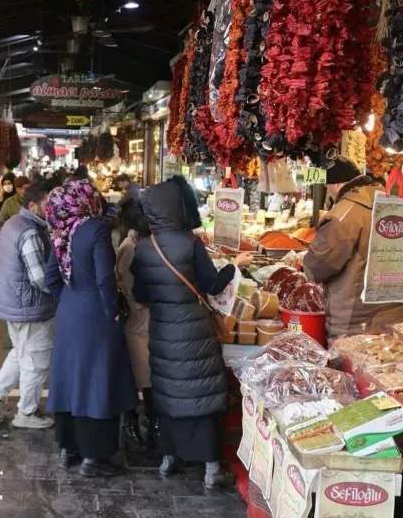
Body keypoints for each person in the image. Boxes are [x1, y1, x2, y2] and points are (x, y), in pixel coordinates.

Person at [129, 176, 250, 489]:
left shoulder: (144, 248)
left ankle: (169, 459)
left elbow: (141, 295)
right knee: (202, 394)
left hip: (162, 332)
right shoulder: (190, 243)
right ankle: (211, 469)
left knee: (169, 394)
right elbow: (213, 285)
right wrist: (234, 266)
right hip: (195, 333)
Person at [44, 179, 137, 477]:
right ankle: (94, 458)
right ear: (87, 200)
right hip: (95, 314)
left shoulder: (61, 230)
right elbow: (104, 278)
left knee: (69, 380)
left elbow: (51, 277)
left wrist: (67, 301)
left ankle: (68, 449)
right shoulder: (96, 228)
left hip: (69, 312)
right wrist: (111, 312)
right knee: (98, 381)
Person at [304, 156, 403, 337]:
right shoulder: (392, 204)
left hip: (356, 325)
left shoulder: (342, 215)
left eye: (327, 185)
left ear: (336, 184)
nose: (327, 190)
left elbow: (317, 267)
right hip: (397, 318)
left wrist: (305, 263)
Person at [0, 183, 55, 428]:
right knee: (36, 361)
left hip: (13, 302)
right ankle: (27, 413)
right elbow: (40, 278)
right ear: (33, 205)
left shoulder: (13, 223)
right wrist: (62, 292)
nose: (52, 208)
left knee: (21, 353)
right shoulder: (31, 233)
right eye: (47, 204)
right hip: (29, 307)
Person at [115, 198, 153, 452]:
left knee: (145, 377)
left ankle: (145, 424)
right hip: (138, 320)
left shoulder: (136, 244)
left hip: (143, 319)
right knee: (139, 376)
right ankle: (131, 425)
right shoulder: (130, 247)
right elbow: (132, 289)